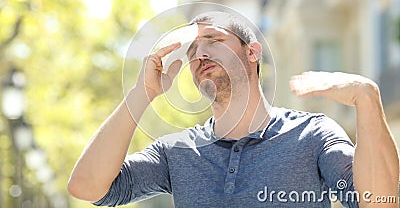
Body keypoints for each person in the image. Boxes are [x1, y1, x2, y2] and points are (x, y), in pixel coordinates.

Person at [68, 11, 399, 207]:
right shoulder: (176, 153)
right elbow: (87, 187)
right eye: (193, 50)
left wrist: (366, 98)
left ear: (252, 53)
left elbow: (381, 203)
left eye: (213, 41)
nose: (199, 54)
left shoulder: (313, 136)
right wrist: (141, 94)